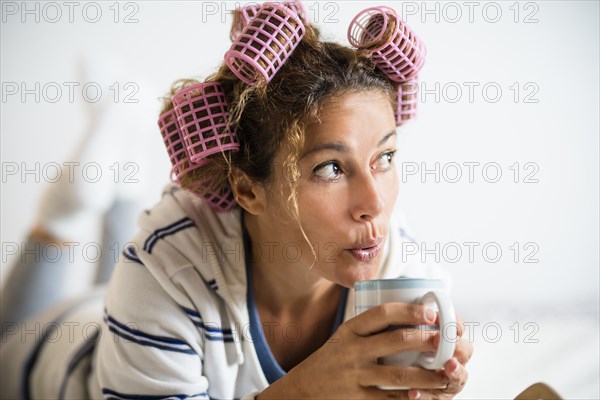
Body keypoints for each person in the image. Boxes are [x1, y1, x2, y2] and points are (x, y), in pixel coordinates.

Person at [1, 3, 472, 399]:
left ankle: (120, 157)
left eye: (385, 156)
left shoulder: (402, 269)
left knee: (123, 273)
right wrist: (304, 390)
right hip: (57, 350)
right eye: (330, 167)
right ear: (248, 189)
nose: (375, 204)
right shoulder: (163, 267)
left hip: (143, 316)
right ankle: (65, 212)